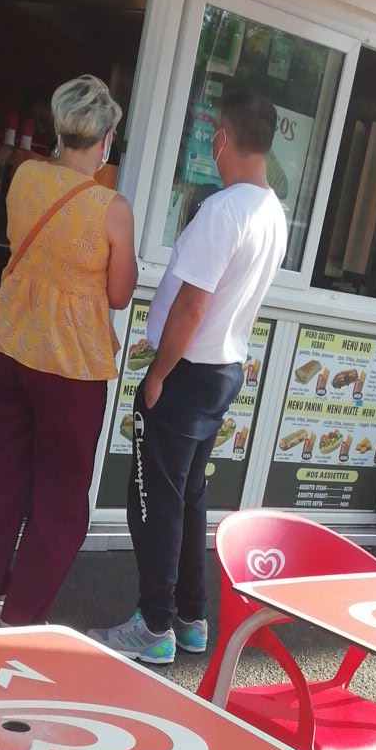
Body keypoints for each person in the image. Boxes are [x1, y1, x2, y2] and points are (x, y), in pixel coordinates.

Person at [91, 90, 286, 665]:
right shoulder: (271, 211)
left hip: (187, 371)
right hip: (221, 369)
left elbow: (192, 306)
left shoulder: (223, 211)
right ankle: (191, 617)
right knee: (187, 496)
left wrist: (158, 374)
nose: (212, 144)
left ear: (224, 136)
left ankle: (154, 625)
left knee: (154, 501)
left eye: (214, 134)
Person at [0, 74, 137, 626]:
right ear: (105, 139)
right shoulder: (111, 208)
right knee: (60, 496)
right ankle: (22, 612)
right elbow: (119, 294)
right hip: (69, 365)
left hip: (7, 341)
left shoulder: (25, 175)